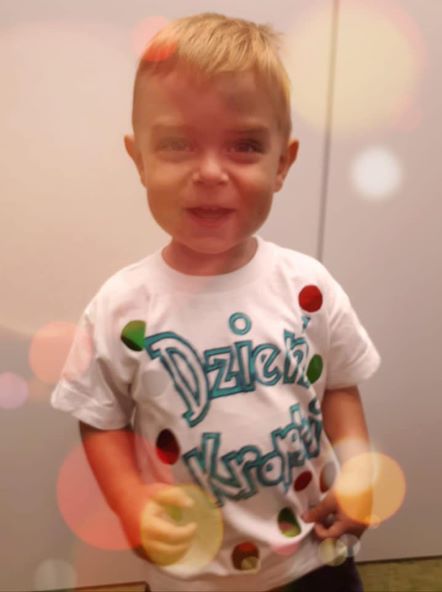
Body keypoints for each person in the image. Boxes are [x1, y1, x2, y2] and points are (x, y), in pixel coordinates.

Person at [51, 12, 381, 592]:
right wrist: (130, 503)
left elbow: (339, 385)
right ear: (139, 159)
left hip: (313, 554)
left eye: (244, 146)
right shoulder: (122, 307)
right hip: (190, 572)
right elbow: (100, 419)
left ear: (282, 163)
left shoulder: (308, 288)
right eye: (177, 144)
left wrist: (356, 471)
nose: (209, 172)